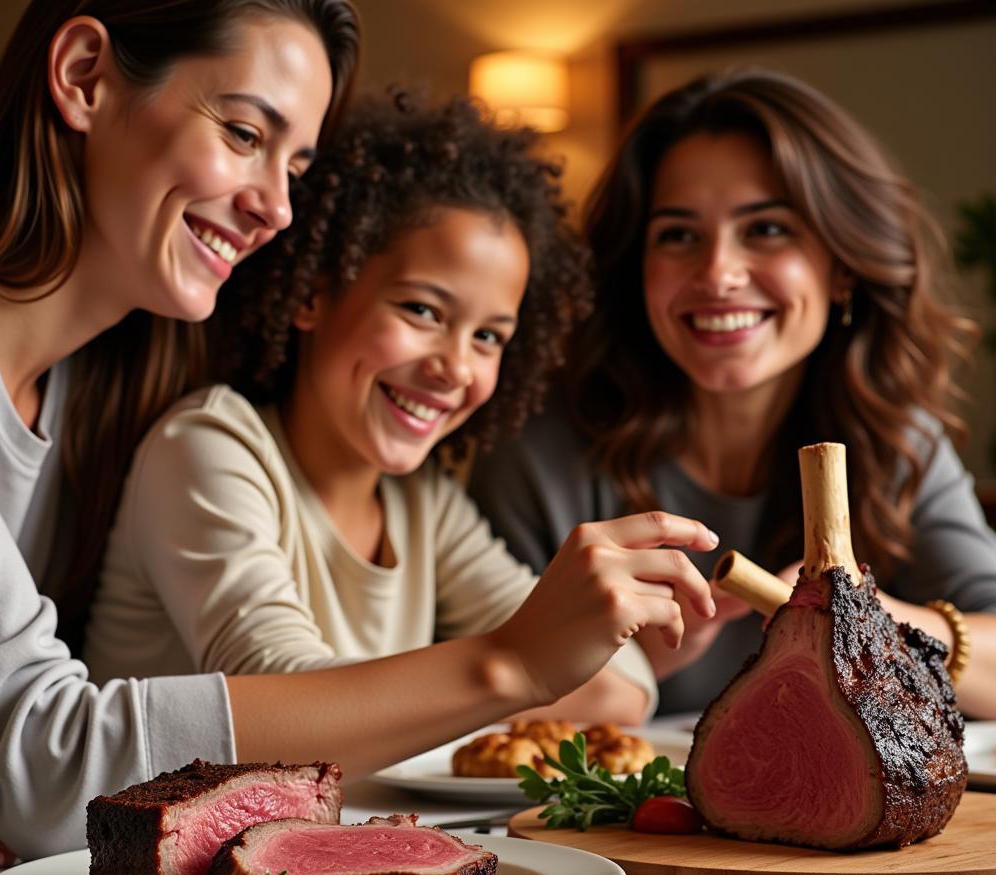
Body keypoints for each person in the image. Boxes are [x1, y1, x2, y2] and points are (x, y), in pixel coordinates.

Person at [83, 92, 720, 751]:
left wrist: (520, 662)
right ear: (312, 293)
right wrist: (514, 665)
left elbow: (621, 686)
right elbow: (278, 705)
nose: (455, 367)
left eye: (489, 338)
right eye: (422, 311)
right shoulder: (210, 447)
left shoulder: (423, 504)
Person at [468, 67, 996, 720]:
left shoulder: (894, 440)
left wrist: (867, 616)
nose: (718, 273)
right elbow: (479, 705)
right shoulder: (538, 455)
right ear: (635, 273)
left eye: (766, 229)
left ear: (844, 267)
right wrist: (641, 662)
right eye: (679, 236)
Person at [0, 0, 360, 863]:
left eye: (296, 165)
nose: (279, 210)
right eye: (245, 134)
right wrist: (508, 667)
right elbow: (49, 767)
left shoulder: (106, 400)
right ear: (83, 77)